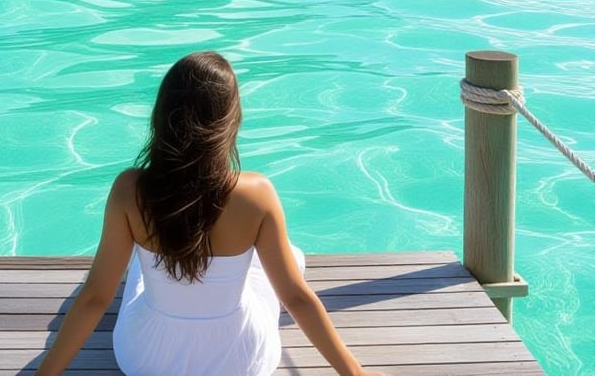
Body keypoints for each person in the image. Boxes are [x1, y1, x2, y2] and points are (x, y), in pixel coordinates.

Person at [35, 51, 388, 376]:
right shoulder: (256, 194)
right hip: (240, 360)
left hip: (146, 359)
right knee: (290, 259)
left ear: (162, 113)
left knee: (136, 267)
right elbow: (296, 298)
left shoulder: (131, 190)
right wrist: (354, 374)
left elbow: (96, 297)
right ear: (230, 118)